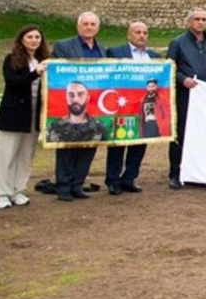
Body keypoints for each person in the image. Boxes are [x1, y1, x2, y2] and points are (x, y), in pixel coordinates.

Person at [50, 12, 107, 200]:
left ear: (97, 27)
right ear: (78, 26)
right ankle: (64, 187)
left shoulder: (102, 49)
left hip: (91, 106)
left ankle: (78, 184)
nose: (89, 27)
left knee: (88, 146)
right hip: (71, 104)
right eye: (85, 24)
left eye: (92, 24)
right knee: (67, 147)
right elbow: (57, 74)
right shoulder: (63, 46)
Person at [0, 25, 49, 209]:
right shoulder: (12, 60)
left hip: (34, 114)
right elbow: (13, 82)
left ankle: (18, 190)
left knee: (26, 155)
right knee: (7, 155)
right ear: (22, 40)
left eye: (37, 37)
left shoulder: (43, 60)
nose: (34, 40)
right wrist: (35, 73)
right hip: (15, 114)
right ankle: (1, 192)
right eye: (30, 37)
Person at [104, 21, 162, 195]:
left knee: (141, 141)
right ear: (129, 35)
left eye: (145, 33)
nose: (141, 36)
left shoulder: (154, 56)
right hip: (123, 105)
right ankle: (113, 179)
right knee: (119, 141)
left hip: (145, 106)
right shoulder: (115, 52)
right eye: (137, 32)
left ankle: (130, 177)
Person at [167, 8, 206, 189]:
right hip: (185, 95)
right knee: (181, 134)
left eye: (204, 19)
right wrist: (183, 80)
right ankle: (175, 172)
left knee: (201, 135)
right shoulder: (178, 43)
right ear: (189, 22)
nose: (200, 22)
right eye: (197, 19)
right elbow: (169, 69)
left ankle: (195, 173)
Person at [46, 81, 107, 200]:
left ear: (87, 97)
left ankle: (77, 186)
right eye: (71, 95)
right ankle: (64, 189)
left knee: (85, 159)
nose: (76, 99)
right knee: (65, 158)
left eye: (80, 94)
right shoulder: (56, 126)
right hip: (65, 137)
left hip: (89, 135)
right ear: (66, 97)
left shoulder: (98, 127)